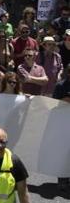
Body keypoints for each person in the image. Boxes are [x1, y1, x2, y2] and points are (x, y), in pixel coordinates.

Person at [53, 64, 70, 193]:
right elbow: (53, 105)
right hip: (63, 123)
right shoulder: (60, 86)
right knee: (63, 152)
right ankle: (62, 180)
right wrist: (65, 100)